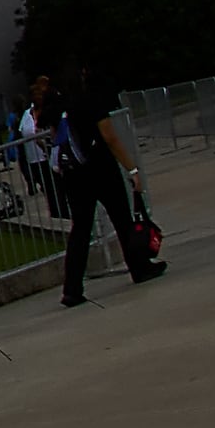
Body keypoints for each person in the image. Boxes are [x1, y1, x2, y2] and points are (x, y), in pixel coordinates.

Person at [42, 66, 160, 304]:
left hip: (74, 174)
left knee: (81, 229)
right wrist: (131, 168)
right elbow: (109, 136)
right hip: (101, 168)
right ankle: (139, 267)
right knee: (122, 219)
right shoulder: (92, 99)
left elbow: (55, 137)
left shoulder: (59, 106)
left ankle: (72, 288)